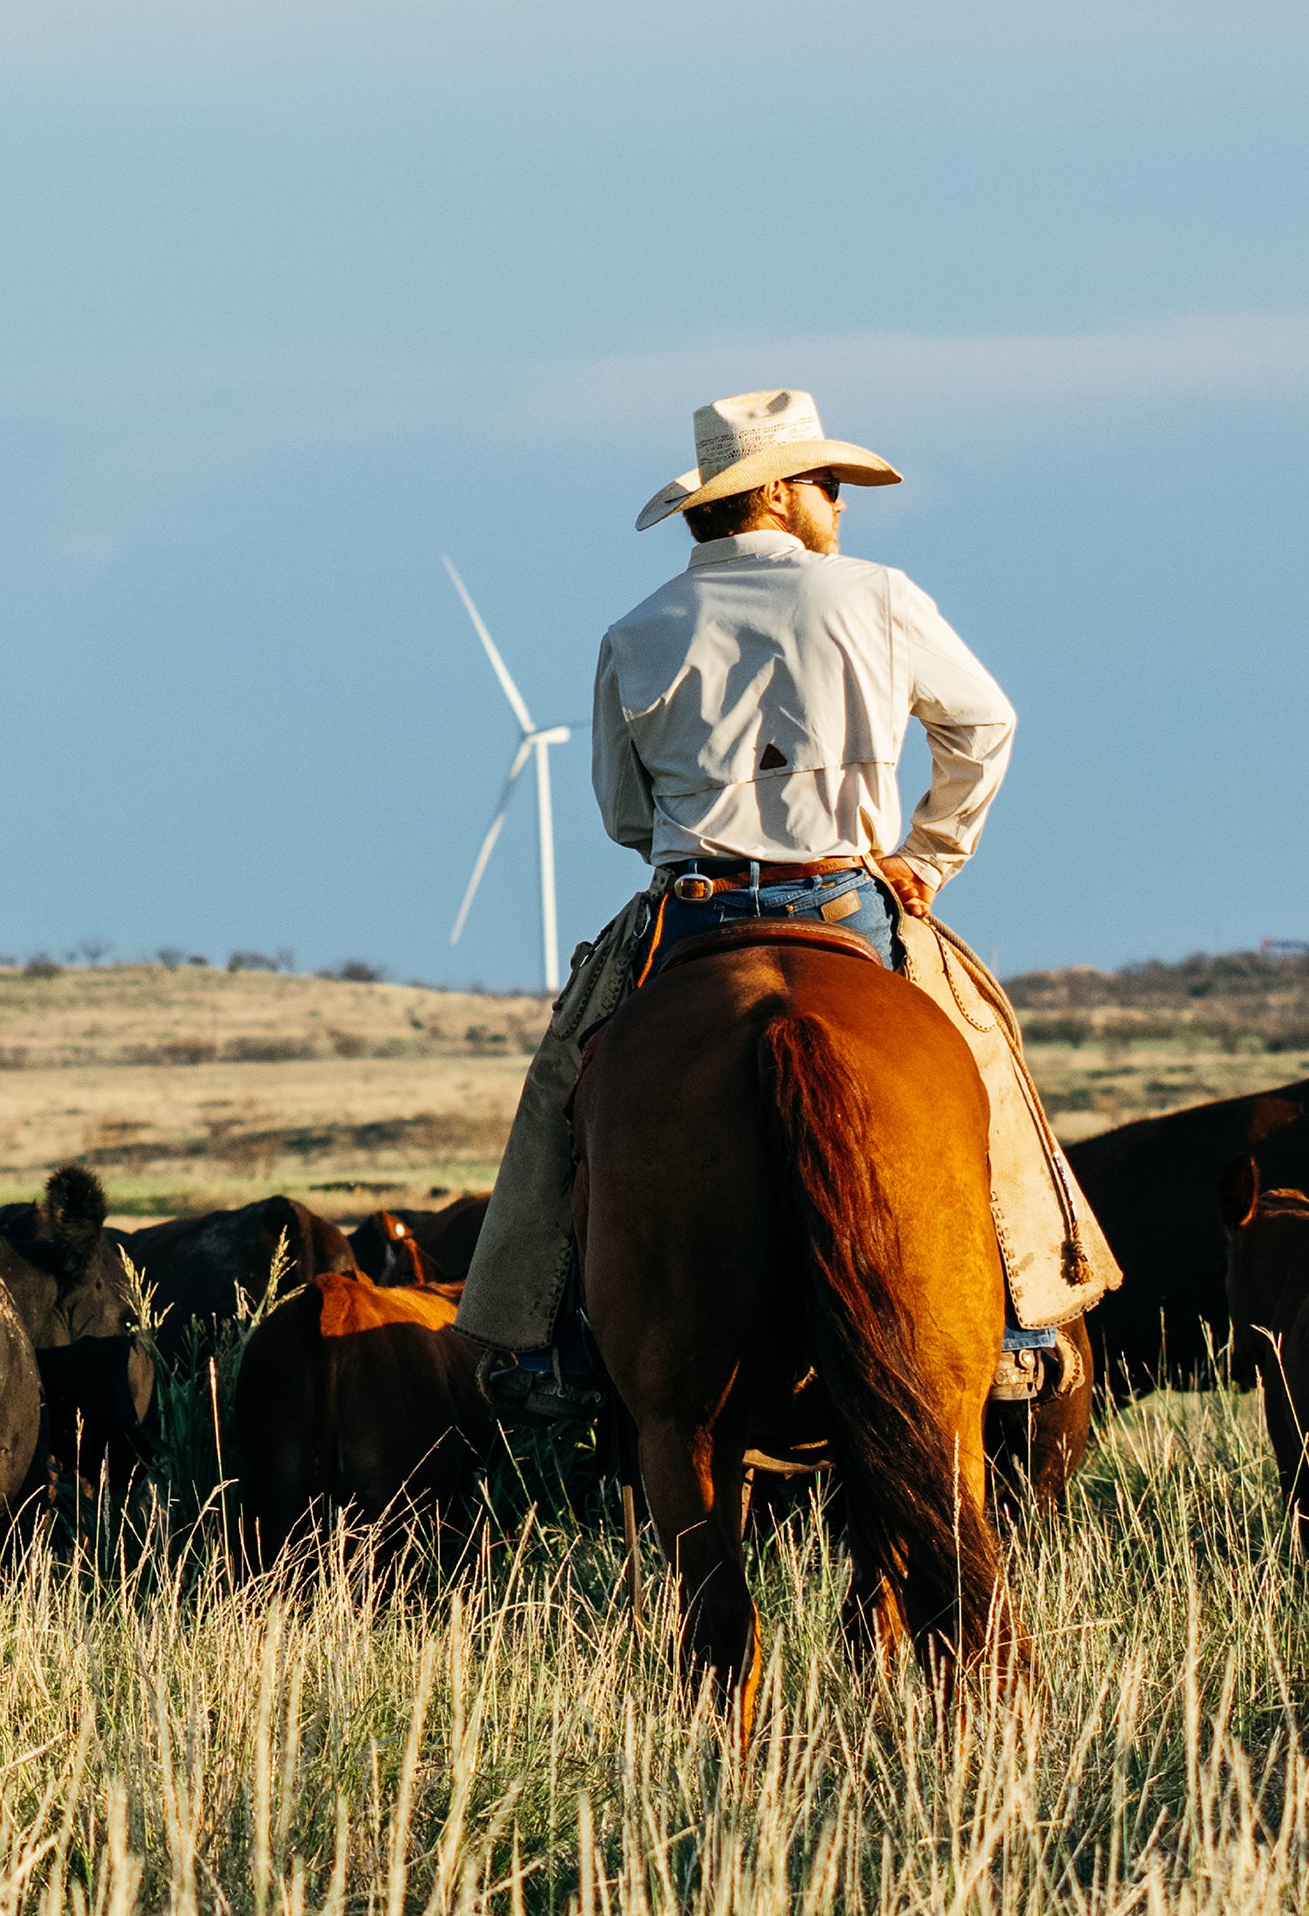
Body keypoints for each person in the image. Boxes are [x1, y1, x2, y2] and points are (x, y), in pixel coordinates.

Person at [455, 389, 1077, 1420]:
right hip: (849, 904)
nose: (839, 499)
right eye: (827, 482)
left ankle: (544, 1338)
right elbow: (982, 723)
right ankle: (1022, 1319)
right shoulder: (876, 595)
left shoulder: (636, 630)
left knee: (568, 1084)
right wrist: (929, 853)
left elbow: (619, 812)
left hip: (693, 908)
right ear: (777, 493)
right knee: (982, 1057)